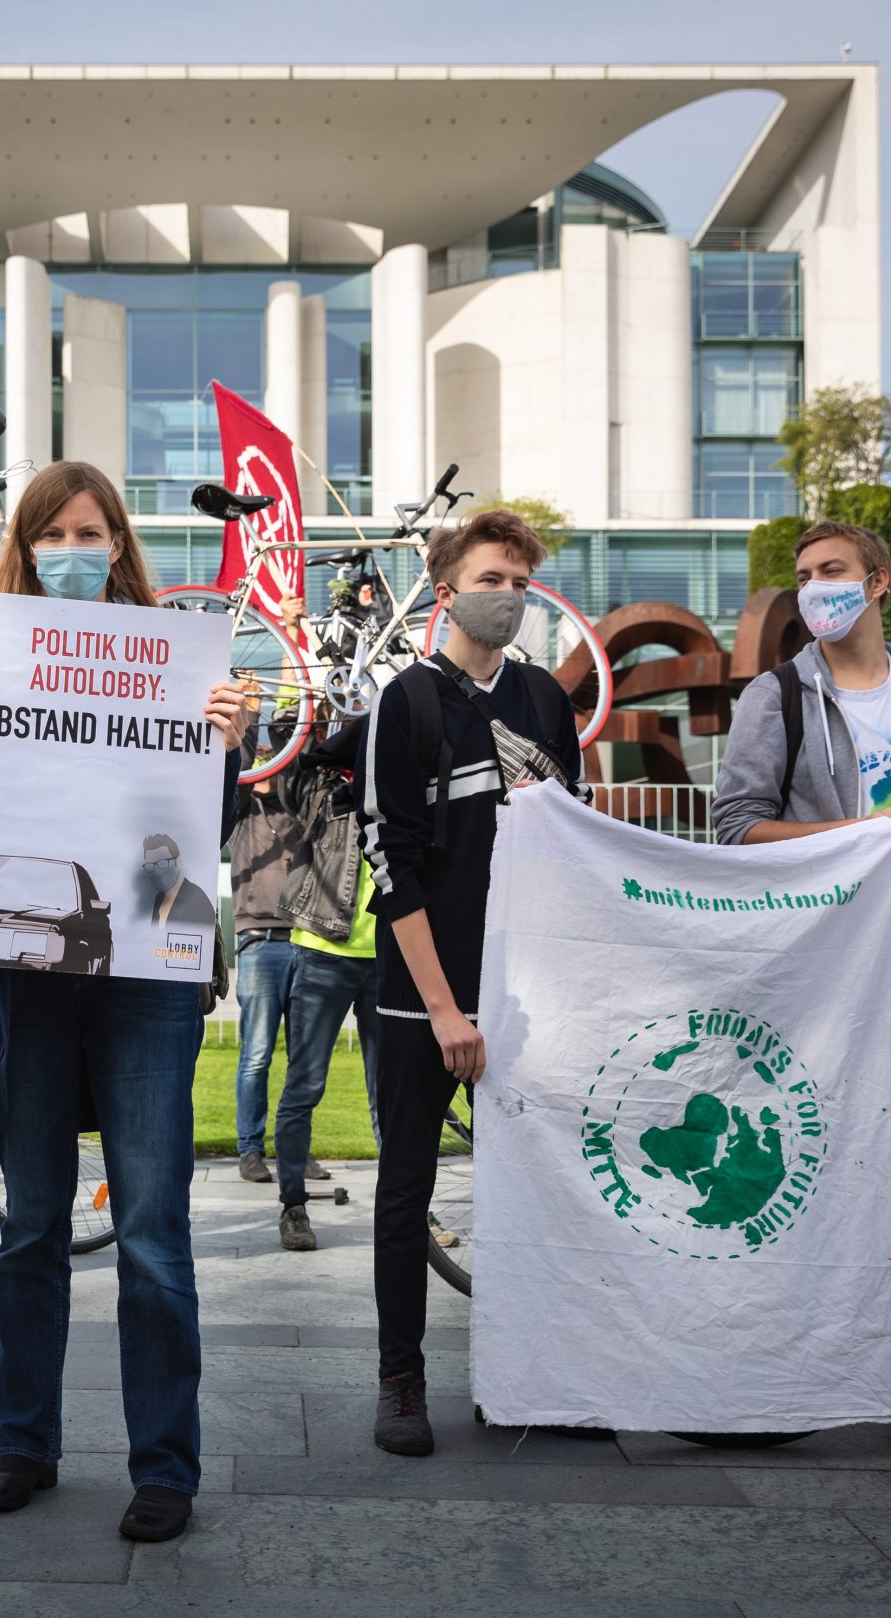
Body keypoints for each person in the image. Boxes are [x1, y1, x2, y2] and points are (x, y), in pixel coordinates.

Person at [0, 458, 251, 1544]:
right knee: (31, 1223)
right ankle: (25, 1442)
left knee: (154, 1222)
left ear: (119, 543)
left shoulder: (176, 664)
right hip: (27, 975)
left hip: (146, 976)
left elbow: (217, 828)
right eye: (53, 532)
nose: (73, 548)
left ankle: (164, 1462)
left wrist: (227, 746)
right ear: (25, 545)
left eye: (91, 529)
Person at [709, 520, 891, 1430]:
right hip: (830, 967)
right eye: (802, 576)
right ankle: (799, 1355)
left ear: (877, 584)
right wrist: (848, 836)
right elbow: (736, 822)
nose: (813, 588)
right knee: (828, 1162)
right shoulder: (778, 696)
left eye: (832, 572)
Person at [360, 509, 584, 1457]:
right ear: (448, 591)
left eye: (523, 582)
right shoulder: (405, 703)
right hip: (426, 998)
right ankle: (400, 1380)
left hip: (527, 994)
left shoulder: (544, 701)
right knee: (408, 1187)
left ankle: (532, 1373)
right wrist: (447, 1006)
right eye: (495, 579)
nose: (512, 597)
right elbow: (391, 865)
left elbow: (573, 842)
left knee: (538, 1187)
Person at [271, 720, 381, 1252]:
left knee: (393, 1095)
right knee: (305, 1085)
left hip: (393, 961)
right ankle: (293, 1205)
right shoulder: (328, 789)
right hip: (323, 952)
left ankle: (412, 1209)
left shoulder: (409, 793)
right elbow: (290, 767)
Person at [225, 773, 302, 1182]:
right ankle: (250, 1149)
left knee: (302, 1059)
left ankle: (295, 1148)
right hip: (258, 940)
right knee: (256, 1055)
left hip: (306, 939)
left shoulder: (299, 805)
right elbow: (243, 753)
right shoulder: (240, 809)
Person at [143, 833, 215, 927]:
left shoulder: (198, 899)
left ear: (178, 861)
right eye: (150, 866)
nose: (157, 871)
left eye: (162, 863)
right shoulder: (159, 898)